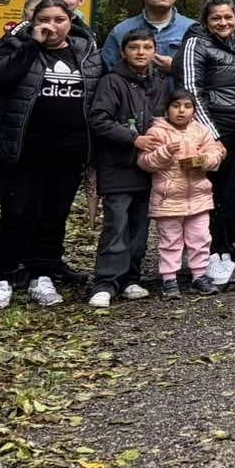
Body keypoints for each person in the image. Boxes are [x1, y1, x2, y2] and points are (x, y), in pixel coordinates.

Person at [0, 0, 102, 309]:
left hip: (68, 153)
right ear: (34, 21)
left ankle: (42, 274)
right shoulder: (14, 46)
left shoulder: (87, 53)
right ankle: (3, 277)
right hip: (22, 152)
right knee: (17, 214)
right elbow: (1, 77)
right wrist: (30, 46)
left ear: (70, 21)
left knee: (54, 216)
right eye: (44, 19)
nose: (51, 25)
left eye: (59, 19)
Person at [179, 0, 235, 287]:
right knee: (211, 196)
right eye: (216, 18)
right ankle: (206, 253)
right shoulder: (196, 43)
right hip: (216, 131)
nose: (223, 22)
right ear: (206, 20)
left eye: (228, 17)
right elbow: (191, 89)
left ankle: (226, 250)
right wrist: (211, 136)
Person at [86, 27, 173, 308]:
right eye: (134, 47)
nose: (141, 53)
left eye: (147, 47)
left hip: (148, 166)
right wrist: (134, 138)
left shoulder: (159, 81)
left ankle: (131, 278)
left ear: (154, 50)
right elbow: (99, 119)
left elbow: (164, 117)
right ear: (124, 51)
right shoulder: (112, 81)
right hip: (118, 164)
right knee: (117, 224)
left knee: (140, 225)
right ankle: (105, 281)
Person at [138, 91, 226, 297]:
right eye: (176, 106)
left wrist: (204, 160)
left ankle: (200, 275)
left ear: (194, 111)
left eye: (187, 106)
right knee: (170, 240)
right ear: (166, 109)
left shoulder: (201, 131)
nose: (181, 111)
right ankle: (169, 278)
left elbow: (216, 153)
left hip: (199, 197)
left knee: (201, 237)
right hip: (168, 200)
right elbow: (145, 162)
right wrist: (165, 152)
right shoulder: (157, 132)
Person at [101, 0, 194, 73]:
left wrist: (176, 67)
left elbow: (210, 74)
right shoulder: (121, 31)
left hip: (178, 89)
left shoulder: (192, 30)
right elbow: (107, 72)